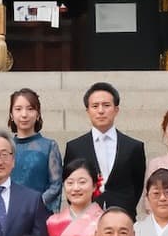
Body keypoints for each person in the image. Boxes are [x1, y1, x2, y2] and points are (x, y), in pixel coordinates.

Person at [63, 81, 147, 216]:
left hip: (123, 216)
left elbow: (137, 185)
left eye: (106, 105)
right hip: (85, 217)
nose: (101, 111)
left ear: (116, 109)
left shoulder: (133, 147)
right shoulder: (74, 147)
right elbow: (69, 182)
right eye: (95, 106)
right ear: (88, 111)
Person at [8, 87, 63, 212]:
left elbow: (56, 185)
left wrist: (35, 203)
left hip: (39, 212)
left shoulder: (49, 146)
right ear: (11, 115)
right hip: (9, 212)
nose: (24, 114)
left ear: (38, 114)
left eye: (30, 109)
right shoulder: (4, 147)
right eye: (18, 109)